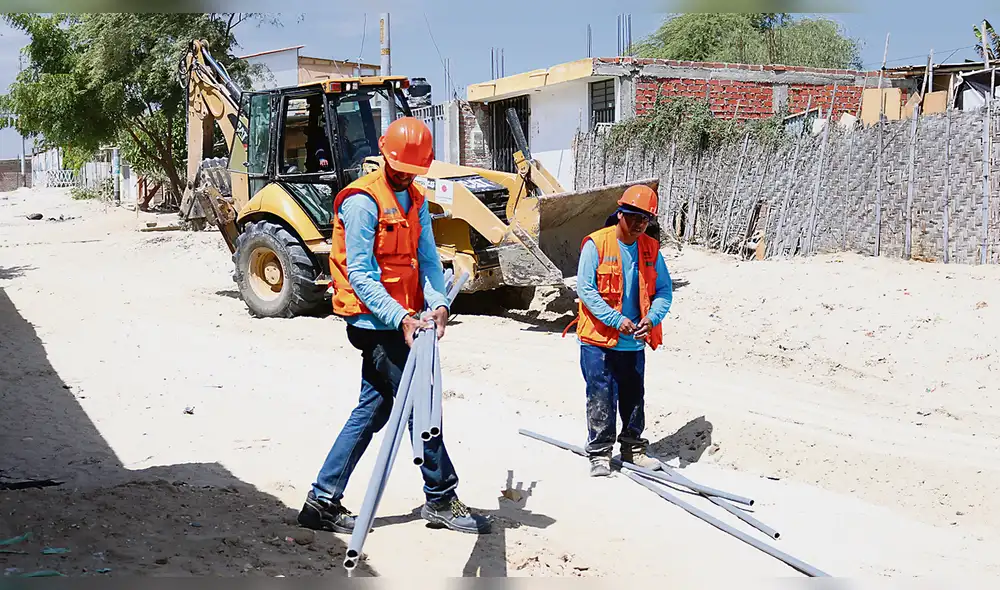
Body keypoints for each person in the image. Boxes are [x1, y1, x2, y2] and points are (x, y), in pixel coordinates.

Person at [297, 117, 491, 535]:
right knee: (421, 406)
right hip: (372, 321)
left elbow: (428, 261)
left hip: (403, 320)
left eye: (413, 170)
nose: (405, 175)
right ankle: (440, 497)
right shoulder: (363, 202)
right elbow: (362, 275)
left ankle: (321, 500)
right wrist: (401, 316)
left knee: (374, 408)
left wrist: (437, 302)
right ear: (384, 156)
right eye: (399, 167)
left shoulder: (417, 200)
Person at [569, 185, 673, 477]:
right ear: (620, 214)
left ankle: (632, 448)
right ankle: (600, 453)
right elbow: (586, 290)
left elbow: (664, 290)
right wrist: (616, 319)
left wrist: (651, 319)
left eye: (645, 220)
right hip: (598, 340)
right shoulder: (596, 244)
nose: (640, 224)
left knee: (633, 395)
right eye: (634, 217)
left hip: (633, 342)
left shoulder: (650, 249)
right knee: (601, 395)